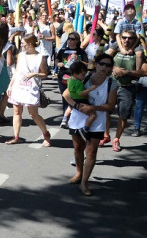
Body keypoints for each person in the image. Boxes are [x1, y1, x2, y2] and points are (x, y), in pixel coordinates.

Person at [63, 53, 118, 196]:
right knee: (77, 148)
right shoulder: (84, 77)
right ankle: (79, 173)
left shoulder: (112, 83)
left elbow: (110, 106)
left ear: (111, 68)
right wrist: (78, 106)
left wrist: (93, 108)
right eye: (102, 64)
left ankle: (84, 183)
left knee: (91, 151)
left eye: (108, 65)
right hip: (78, 118)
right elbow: (66, 95)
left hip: (97, 120)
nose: (104, 67)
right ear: (96, 64)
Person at [105, 29, 147, 151]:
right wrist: (113, 68)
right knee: (105, 111)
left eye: (130, 38)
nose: (126, 40)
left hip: (127, 87)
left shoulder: (138, 52)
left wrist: (127, 72)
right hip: (111, 85)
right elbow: (103, 62)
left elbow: (145, 72)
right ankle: (106, 135)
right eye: (124, 37)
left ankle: (116, 139)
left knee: (123, 114)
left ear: (134, 39)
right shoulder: (115, 48)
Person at [6, 35, 51, 146]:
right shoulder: (21, 55)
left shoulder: (40, 57)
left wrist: (34, 74)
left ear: (30, 44)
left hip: (31, 88)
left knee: (33, 114)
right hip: (18, 86)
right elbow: (16, 72)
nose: (21, 45)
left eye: (23, 43)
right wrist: (10, 86)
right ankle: (16, 136)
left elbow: (44, 74)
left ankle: (46, 134)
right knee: (17, 112)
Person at [57, 32, 88, 128]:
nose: (70, 41)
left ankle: (70, 117)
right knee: (64, 96)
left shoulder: (81, 52)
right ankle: (65, 116)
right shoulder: (63, 50)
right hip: (63, 75)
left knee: (73, 97)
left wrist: (78, 60)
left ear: (77, 41)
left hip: (75, 78)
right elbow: (57, 60)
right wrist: (59, 64)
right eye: (69, 39)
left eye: (72, 39)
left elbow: (87, 64)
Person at [66, 61, 98, 141]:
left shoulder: (70, 80)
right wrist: (90, 89)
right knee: (93, 115)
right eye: (83, 75)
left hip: (74, 100)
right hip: (81, 101)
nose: (84, 77)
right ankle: (85, 129)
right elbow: (81, 93)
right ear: (76, 74)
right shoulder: (78, 83)